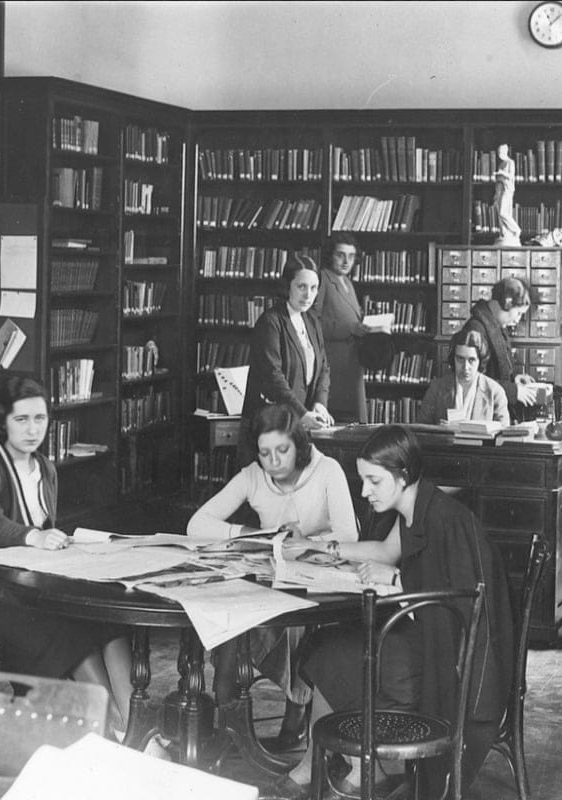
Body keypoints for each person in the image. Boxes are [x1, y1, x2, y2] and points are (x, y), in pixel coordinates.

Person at [265, 425, 514, 799]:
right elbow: (383, 551)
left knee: (337, 651)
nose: (364, 491)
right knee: (326, 643)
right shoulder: (416, 507)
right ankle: (325, 763)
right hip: (427, 641)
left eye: (373, 481)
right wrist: (324, 548)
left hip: (451, 664)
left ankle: (357, 767)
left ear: (403, 475)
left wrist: (396, 579)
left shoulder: (448, 519)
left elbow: (464, 605)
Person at [0, 377, 133, 735]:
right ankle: (118, 729)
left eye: (40, 418)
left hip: (32, 580)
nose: (33, 429)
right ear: (2, 422)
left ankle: (133, 724)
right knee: (69, 632)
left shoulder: (46, 469)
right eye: (22, 420)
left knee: (109, 620)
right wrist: (35, 536)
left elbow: (48, 530)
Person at [188, 403, 359, 752]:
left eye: (283, 450)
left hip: (322, 579)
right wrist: (253, 533)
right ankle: (229, 717)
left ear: (300, 444)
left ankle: (296, 711)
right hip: (273, 576)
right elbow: (197, 524)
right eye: (265, 453)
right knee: (231, 614)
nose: (274, 461)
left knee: (296, 621)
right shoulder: (253, 476)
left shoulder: (327, 470)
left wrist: (308, 543)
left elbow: (350, 536)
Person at [241, 252, 332, 464]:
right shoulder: (270, 322)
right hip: (269, 425)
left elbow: (324, 368)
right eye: (301, 286)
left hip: (296, 425)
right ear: (287, 286)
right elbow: (273, 377)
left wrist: (320, 403)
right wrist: (302, 413)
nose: (308, 294)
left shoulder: (312, 321)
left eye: (313, 288)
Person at [313, 234, 390, 424]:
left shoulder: (347, 282)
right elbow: (312, 322)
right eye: (341, 255)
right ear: (330, 255)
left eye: (351, 256)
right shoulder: (322, 279)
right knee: (336, 420)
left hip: (352, 362)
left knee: (352, 421)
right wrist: (351, 328)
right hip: (333, 364)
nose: (346, 261)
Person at [459, 276, 541, 418]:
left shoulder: (495, 326)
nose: (517, 320)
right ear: (506, 303)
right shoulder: (475, 330)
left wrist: (513, 379)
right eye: (519, 313)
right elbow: (472, 380)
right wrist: (513, 392)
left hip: (495, 407)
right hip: (480, 415)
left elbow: (493, 372)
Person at [419, 328, 511, 425]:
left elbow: (503, 434)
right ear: (453, 358)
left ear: (480, 360)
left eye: (471, 360)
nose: (465, 367)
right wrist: (440, 430)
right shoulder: (437, 388)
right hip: (446, 440)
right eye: (460, 359)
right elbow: (421, 430)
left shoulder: (495, 392)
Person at [493, 143, 522, 246]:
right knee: (499, 212)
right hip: (500, 190)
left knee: (503, 212)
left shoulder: (510, 162)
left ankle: (516, 229)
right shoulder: (501, 164)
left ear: (505, 152)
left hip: (508, 189)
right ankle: (504, 233)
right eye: (498, 152)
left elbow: (511, 176)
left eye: (501, 152)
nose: (499, 154)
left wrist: (501, 173)